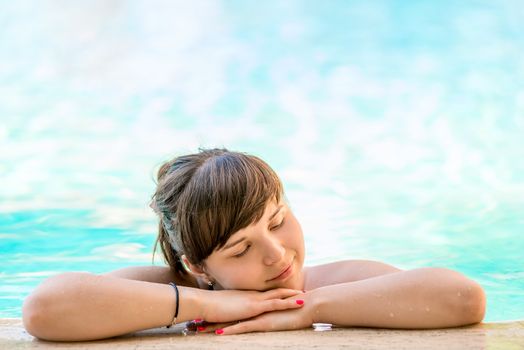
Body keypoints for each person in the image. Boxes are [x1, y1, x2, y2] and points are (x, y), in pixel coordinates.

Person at [22, 148, 486, 341]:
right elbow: (46, 308)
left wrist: (308, 307)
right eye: (241, 249)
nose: (278, 254)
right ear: (197, 265)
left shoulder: (335, 283)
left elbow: (462, 297)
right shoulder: (168, 287)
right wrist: (212, 305)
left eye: (279, 221)